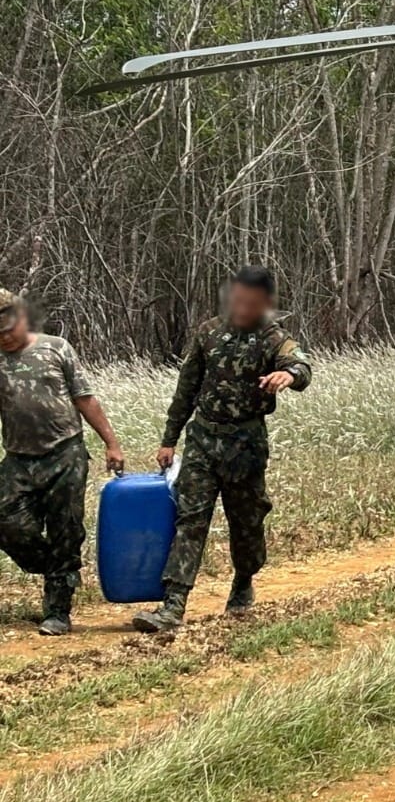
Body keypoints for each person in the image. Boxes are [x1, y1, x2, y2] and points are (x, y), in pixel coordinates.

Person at [133, 267, 311, 633]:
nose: (242, 307)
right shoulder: (208, 332)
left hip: (244, 447)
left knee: (246, 525)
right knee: (190, 520)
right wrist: (169, 439)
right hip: (202, 442)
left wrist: (288, 376)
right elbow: (187, 389)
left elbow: (301, 364)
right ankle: (173, 605)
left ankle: (244, 580)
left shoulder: (272, 337)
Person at [0, 289, 124, 636]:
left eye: (8, 331)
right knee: (6, 519)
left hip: (64, 453)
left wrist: (111, 444)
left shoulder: (56, 348)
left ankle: (58, 610)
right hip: (19, 458)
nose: (5, 339)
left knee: (64, 529)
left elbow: (85, 399)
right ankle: (54, 566)